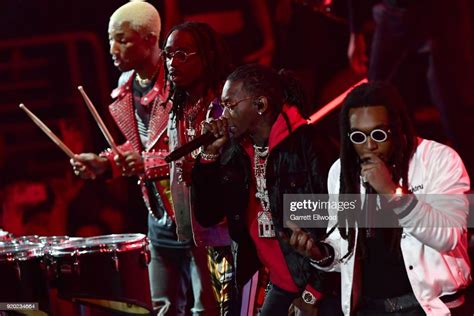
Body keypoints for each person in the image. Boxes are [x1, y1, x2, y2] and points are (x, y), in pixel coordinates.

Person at [70, 3, 215, 315]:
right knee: (161, 306)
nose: (113, 48)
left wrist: (145, 163)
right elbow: (141, 145)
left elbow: (197, 149)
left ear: (150, 39)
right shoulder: (127, 86)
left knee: (206, 307)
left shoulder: (181, 81)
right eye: (111, 39)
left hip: (195, 209)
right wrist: (105, 163)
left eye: (123, 39)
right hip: (158, 212)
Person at [291, 82, 471, 315]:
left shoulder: (438, 160)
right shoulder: (342, 171)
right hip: (370, 307)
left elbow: (447, 236)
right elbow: (343, 242)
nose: (370, 145)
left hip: (431, 307)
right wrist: (321, 253)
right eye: (358, 136)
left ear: (397, 128)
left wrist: (390, 191)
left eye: (378, 134)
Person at [192, 64, 335, 315]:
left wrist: (313, 294)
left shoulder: (309, 146)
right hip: (277, 283)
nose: (222, 115)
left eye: (230, 105)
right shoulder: (236, 153)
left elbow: (339, 227)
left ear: (260, 105)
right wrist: (209, 155)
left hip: (318, 284)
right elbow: (208, 215)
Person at [346, 0, 474, 181]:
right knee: (376, 104)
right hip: (395, 14)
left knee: (455, 111)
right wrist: (355, 30)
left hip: (444, 13)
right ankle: (391, 181)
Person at [162, 21, 235, 315]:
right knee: (205, 309)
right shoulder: (176, 108)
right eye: (167, 54)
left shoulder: (223, 106)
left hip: (229, 234)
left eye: (182, 54)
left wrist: (208, 167)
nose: (171, 62)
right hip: (196, 234)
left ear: (206, 56)